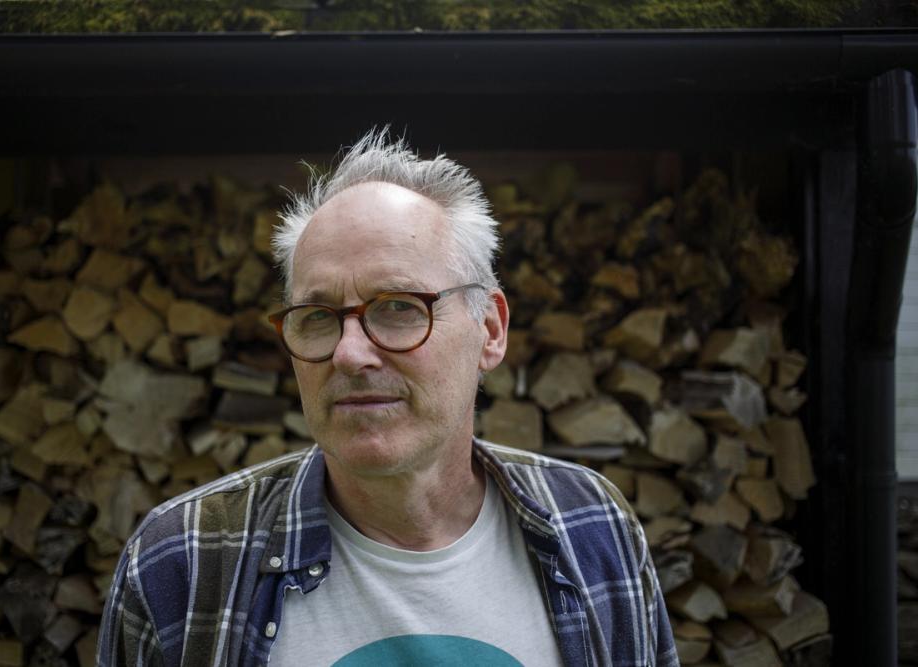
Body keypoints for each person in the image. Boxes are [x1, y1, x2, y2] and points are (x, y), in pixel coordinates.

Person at [98, 129, 678, 667]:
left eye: (399, 307)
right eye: (317, 316)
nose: (350, 354)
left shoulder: (591, 525)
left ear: (490, 330)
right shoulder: (186, 561)